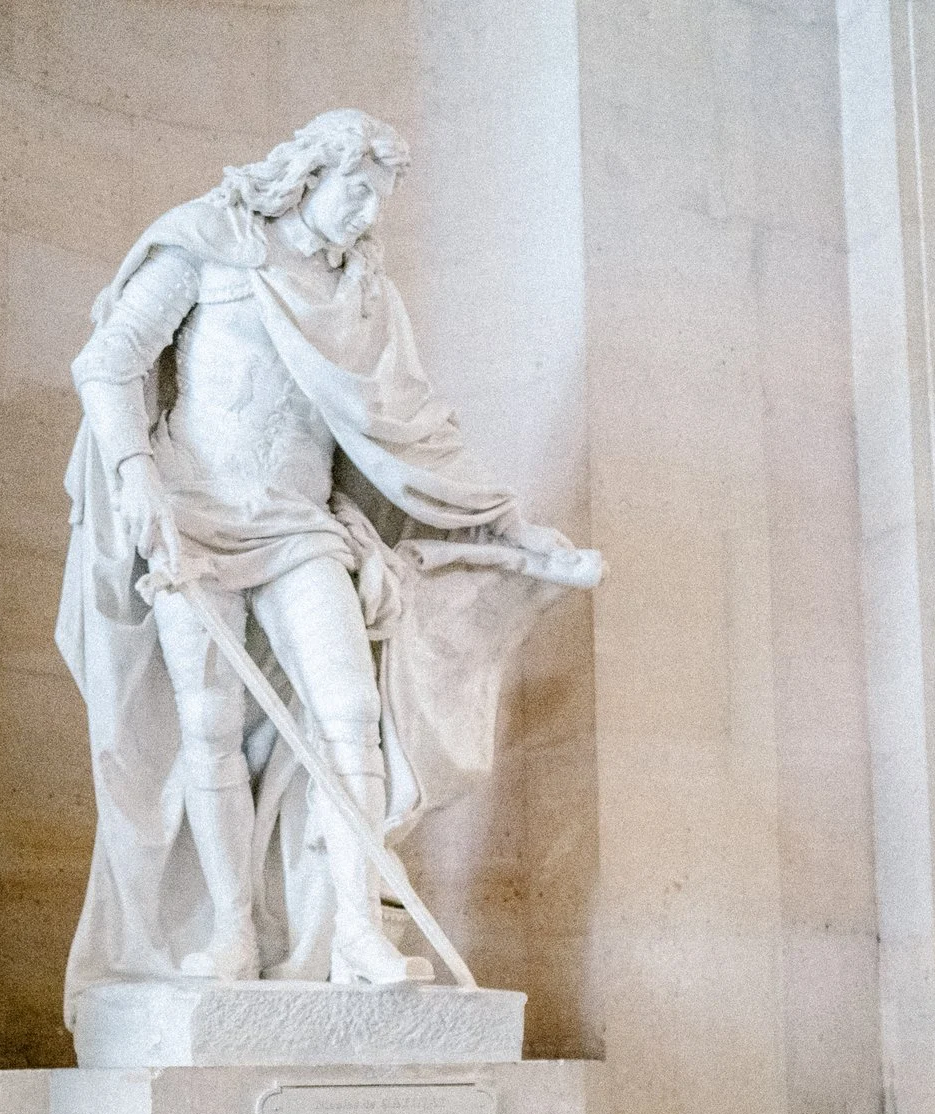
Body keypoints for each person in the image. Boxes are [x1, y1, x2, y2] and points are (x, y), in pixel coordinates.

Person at [56, 109, 600, 1005]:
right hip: (193, 518)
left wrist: (507, 528)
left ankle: (357, 928)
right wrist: (134, 475)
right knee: (208, 724)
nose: (366, 214)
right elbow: (109, 361)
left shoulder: (363, 296)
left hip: (300, 528)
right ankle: (233, 931)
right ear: (310, 176)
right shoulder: (213, 243)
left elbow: (414, 431)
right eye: (356, 191)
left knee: (350, 710)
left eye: (378, 200)